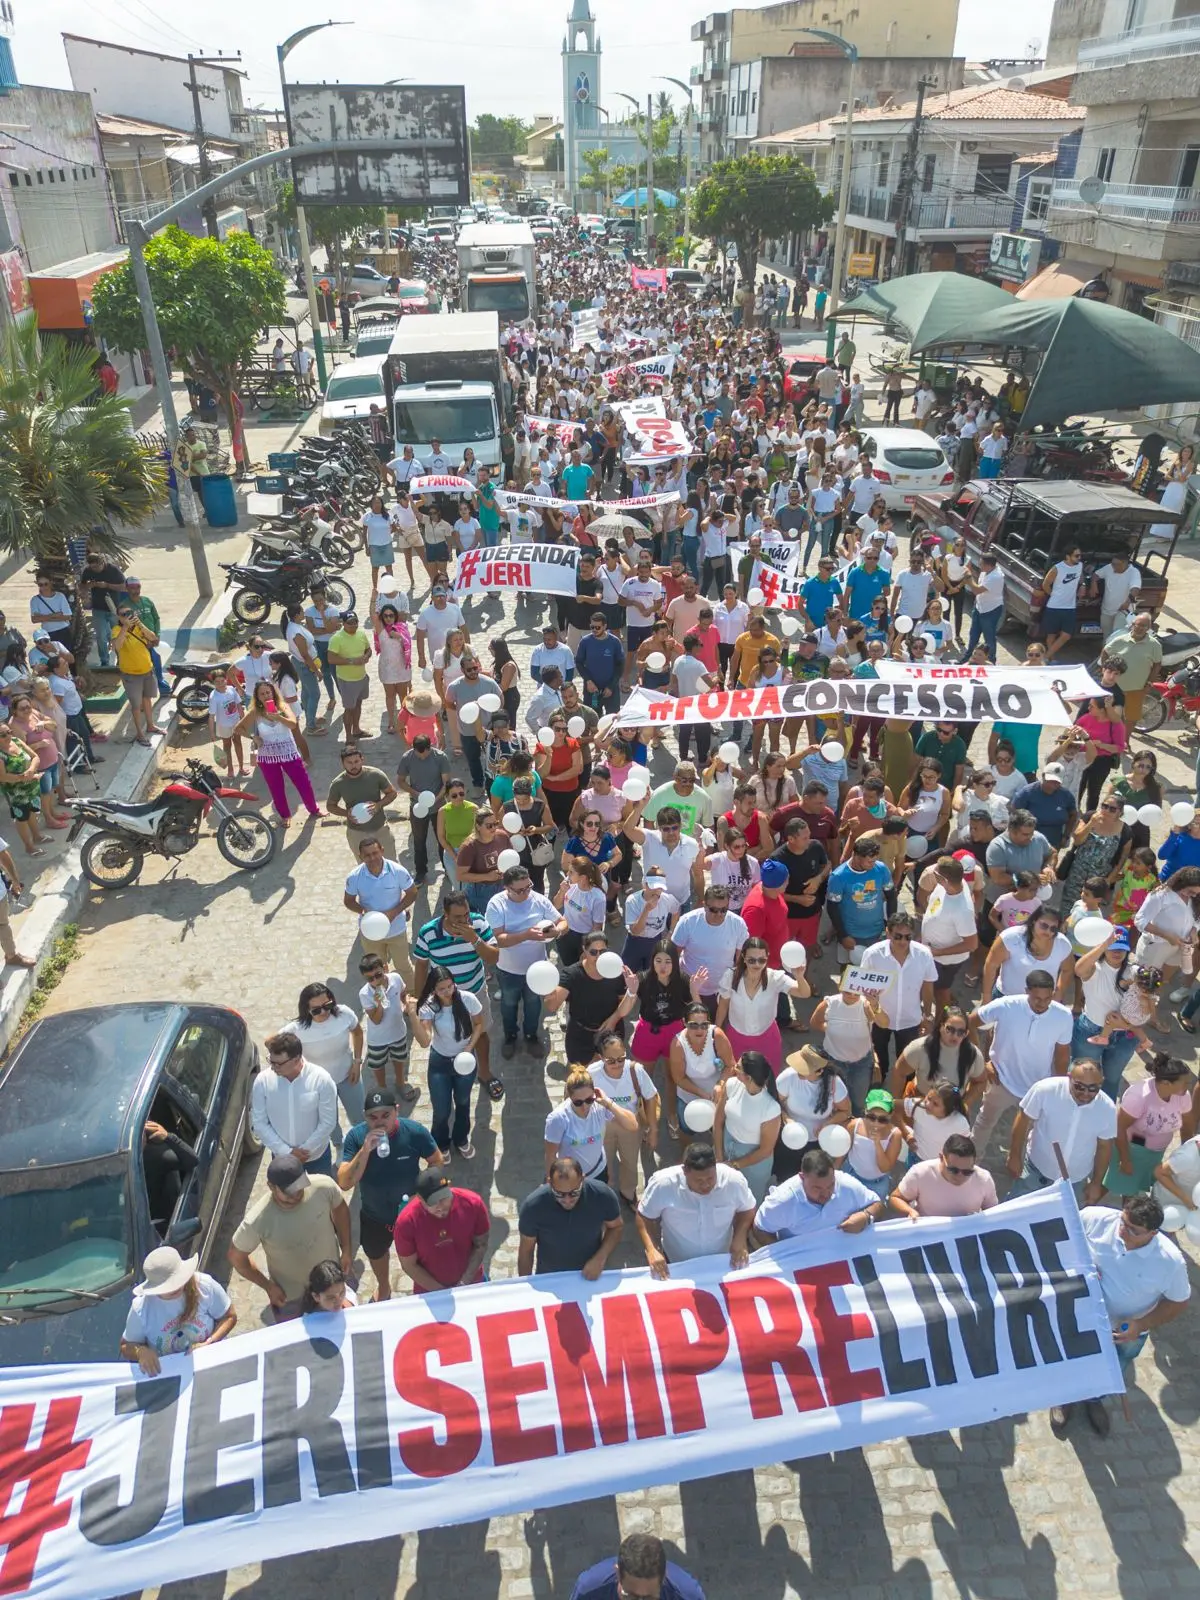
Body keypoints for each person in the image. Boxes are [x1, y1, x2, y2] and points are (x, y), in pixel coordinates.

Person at [1051, 1194, 1190, 1438]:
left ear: (1153, 1234)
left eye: (1133, 1230)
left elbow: (1178, 1302)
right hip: (1081, 1315)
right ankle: (1065, 1397)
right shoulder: (1095, 1217)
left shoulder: (1171, 1262)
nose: (1123, 1232)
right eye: (1123, 1223)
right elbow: (1062, 1233)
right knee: (1071, 1356)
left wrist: (1141, 1324)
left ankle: (1094, 1398)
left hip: (1126, 1332)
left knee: (1112, 1367)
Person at [336, 1088, 443, 1302]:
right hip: (375, 1216)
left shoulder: (414, 1132)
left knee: (423, 1255)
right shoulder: (356, 1137)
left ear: (396, 1110)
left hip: (412, 1215)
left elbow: (436, 1161)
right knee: (376, 1254)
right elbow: (344, 1182)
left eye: (386, 1115)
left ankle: (425, 1288)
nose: (379, 1122)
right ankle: (384, 1287)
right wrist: (365, 1150)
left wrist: (421, 1195)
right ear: (365, 1116)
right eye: (372, 1117)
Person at [227, 1153, 351, 1320]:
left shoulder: (323, 1186)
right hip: (291, 1298)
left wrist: (347, 1250)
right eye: (289, 1192)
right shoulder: (257, 1220)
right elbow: (236, 1257)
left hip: (331, 1286)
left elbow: (341, 1209)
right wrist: (268, 1286)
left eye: (300, 1187)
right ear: (271, 1186)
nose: (297, 1194)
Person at [968, 971, 1075, 1154]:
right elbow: (970, 1022)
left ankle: (1024, 1162)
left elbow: (1062, 1055)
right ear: (1027, 991)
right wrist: (983, 1061)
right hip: (1001, 1080)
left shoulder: (1064, 1016)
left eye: (1047, 998)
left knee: (1033, 1131)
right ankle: (971, 1161)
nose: (1042, 1004)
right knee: (984, 1122)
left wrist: (1058, 1087)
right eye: (1037, 998)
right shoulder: (1006, 1005)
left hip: (1038, 1086)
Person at [636, 1141, 756, 1276]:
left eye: (710, 1178)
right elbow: (644, 1216)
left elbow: (747, 1209)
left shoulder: (734, 1181)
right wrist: (652, 1249)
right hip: (677, 1262)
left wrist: (740, 1237)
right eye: (699, 1181)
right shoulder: (663, 1184)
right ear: (684, 1171)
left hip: (722, 1260)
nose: (706, 1185)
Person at [1006, 1061, 1116, 1201]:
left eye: (1093, 1088)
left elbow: (1104, 1147)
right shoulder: (1045, 1090)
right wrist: (1014, 1155)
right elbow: (1023, 1120)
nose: (1086, 1093)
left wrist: (1096, 1183)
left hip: (1074, 1181)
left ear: (1101, 1082)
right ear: (1069, 1077)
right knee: (1015, 1211)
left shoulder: (1107, 1109)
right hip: (1035, 1170)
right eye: (1079, 1087)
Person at [119, 1246, 236, 1375]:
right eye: (167, 1286)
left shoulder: (205, 1285)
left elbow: (229, 1316)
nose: (175, 1288)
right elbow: (126, 1347)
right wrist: (140, 1352)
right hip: (170, 1377)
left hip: (211, 1364)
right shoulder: (141, 1309)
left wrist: (209, 1343)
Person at [409, 964, 485, 1159]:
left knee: (463, 1102)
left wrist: (469, 1048)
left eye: (450, 986)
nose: (447, 992)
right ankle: (441, 1142)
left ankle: (461, 1139)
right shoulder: (429, 1006)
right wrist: (412, 1015)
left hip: (465, 1061)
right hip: (440, 1063)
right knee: (441, 1109)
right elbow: (425, 1041)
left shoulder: (468, 999)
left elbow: (479, 1024)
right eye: (441, 989)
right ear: (433, 989)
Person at [518, 1155, 623, 1278]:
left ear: (582, 1179)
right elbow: (526, 1251)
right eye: (559, 1194)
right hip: (551, 1277)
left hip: (589, 1274)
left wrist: (601, 1257)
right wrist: (524, 1288)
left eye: (574, 1193)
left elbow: (616, 1227)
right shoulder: (533, 1207)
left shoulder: (602, 1195)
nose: (567, 1200)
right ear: (550, 1183)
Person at [860, 912, 938, 1078]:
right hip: (880, 1018)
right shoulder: (872, 954)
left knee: (908, 1062)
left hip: (911, 1019)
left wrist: (928, 1015)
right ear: (888, 933)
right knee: (878, 1058)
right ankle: (879, 1083)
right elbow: (863, 986)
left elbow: (927, 986)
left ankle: (905, 1091)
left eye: (908, 937)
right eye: (898, 936)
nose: (903, 941)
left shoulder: (924, 955)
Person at [250, 1031, 338, 1177]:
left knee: (319, 1197)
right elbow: (259, 1123)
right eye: (271, 1061)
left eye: (279, 1063)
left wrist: (304, 1151)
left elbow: (328, 1122)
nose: (273, 1067)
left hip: (317, 1157)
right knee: (288, 1198)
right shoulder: (262, 1081)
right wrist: (287, 1152)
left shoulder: (321, 1080)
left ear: (296, 1059)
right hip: (282, 1158)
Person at [394, 1167, 492, 1294]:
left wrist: (464, 1283)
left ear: (449, 1186)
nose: (441, 1206)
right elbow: (409, 1265)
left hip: (472, 1282)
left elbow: (481, 1244)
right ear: (420, 1199)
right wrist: (442, 1293)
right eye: (433, 1202)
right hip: (430, 1292)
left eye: (444, 1198)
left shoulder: (473, 1203)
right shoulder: (406, 1222)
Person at [233, 683, 319, 827]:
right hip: (267, 756)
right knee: (276, 788)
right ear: (258, 697)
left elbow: (293, 724)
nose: (266, 696)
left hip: (288, 752)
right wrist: (253, 737)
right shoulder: (255, 712)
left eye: (268, 692)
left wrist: (279, 717)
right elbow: (238, 728)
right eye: (262, 694)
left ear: (273, 693)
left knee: (303, 783)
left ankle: (314, 809)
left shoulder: (283, 707)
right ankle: (285, 816)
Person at [286, 981, 365, 1135]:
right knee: (328, 1122)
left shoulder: (344, 1014)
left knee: (360, 1116)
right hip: (320, 1085)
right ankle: (338, 1145)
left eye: (327, 1006)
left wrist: (357, 1062)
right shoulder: (298, 1028)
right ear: (307, 1010)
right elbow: (272, 1042)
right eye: (316, 1010)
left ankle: (361, 1143)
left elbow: (358, 1032)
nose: (323, 1012)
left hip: (349, 1076)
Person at [754, 1147, 884, 1240]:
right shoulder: (783, 1200)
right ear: (802, 1177)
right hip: (801, 1260)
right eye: (817, 1188)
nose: (826, 1194)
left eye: (830, 1185)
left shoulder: (846, 1184)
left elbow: (878, 1204)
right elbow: (760, 1228)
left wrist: (866, 1217)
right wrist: (784, 1255)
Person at [345, 835, 418, 984]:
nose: (372, 858)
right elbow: (349, 901)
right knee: (376, 970)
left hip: (396, 929)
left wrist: (394, 912)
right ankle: (383, 995)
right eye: (367, 855)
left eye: (375, 853)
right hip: (370, 933)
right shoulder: (354, 877)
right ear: (361, 856)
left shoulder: (397, 871)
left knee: (403, 966)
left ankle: (413, 994)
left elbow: (412, 893)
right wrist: (364, 912)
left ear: (382, 851)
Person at [713, 1049, 783, 1202]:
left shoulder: (770, 1108)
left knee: (749, 1201)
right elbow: (718, 1122)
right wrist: (719, 1156)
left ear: (748, 1077)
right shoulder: (731, 1085)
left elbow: (765, 1150)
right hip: (726, 1148)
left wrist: (734, 1164)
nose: (733, 1069)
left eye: (738, 1067)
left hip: (754, 1164)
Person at [889, 1135, 998, 1219]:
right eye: (953, 1170)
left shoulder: (984, 1179)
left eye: (967, 1172)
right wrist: (910, 1211)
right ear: (941, 1158)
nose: (960, 1176)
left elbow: (994, 1212)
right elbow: (895, 1198)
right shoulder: (920, 1173)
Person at [571, 1532, 706, 1600]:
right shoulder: (589, 1591)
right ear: (618, 1574)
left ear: (664, 1576)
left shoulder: (687, 1595)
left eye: (649, 1598)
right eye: (631, 1597)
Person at [326, 743, 398, 861]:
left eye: (356, 761)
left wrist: (378, 805)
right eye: (349, 762)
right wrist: (346, 813)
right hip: (356, 833)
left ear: (362, 760)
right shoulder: (338, 783)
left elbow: (392, 793)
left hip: (380, 828)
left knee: (390, 863)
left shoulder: (375, 775)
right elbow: (330, 806)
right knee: (364, 866)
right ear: (342, 763)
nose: (353, 765)